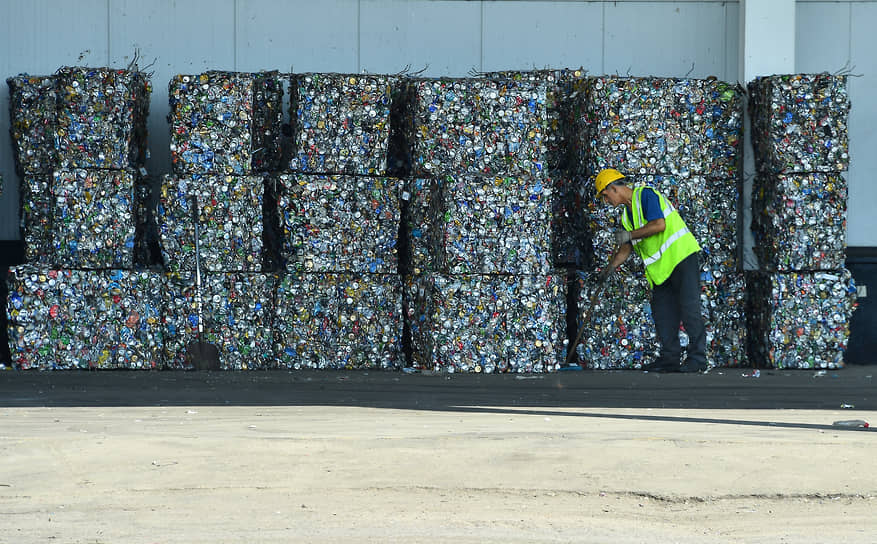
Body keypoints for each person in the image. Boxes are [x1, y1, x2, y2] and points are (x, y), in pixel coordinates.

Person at [594, 168, 707, 373]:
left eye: (605, 195)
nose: (606, 201)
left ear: (614, 188)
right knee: (663, 313)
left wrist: (629, 235)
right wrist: (609, 269)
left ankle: (698, 359)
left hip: (681, 257)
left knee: (690, 309)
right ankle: (670, 358)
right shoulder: (627, 218)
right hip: (661, 270)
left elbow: (659, 225)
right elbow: (625, 250)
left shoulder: (645, 195)